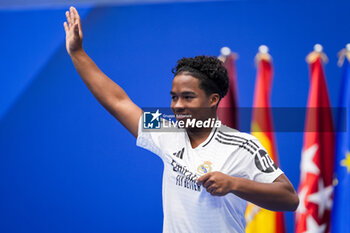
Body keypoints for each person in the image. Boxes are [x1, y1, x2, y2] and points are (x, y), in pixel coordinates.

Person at [64, 6, 299, 233]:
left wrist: (233, 183)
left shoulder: (242, 145)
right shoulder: (166, 131)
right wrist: (77, 53)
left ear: (213, 99)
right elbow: (119, 102)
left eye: (188, 97)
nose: (177, 106)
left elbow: (289, 198)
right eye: (174, 97)